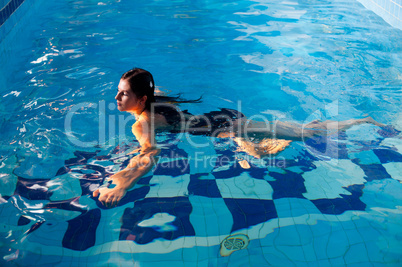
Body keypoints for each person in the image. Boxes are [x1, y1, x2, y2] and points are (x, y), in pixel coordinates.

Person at [93, 67, 385, 208]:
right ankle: (359, 121)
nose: (117, 97)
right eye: (119, 91)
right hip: (224, 116)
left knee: (262, 153)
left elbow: (148, 154)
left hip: (224, 130)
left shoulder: (141, 124)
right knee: (303, 132)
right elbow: (158, 92)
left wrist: (121, 183)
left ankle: (358, 123)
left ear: (141, 98)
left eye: (124, 93)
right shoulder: (158, 97)